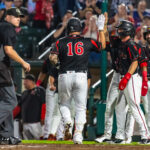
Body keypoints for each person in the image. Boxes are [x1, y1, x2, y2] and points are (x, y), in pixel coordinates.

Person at [49, 16, 106, 144]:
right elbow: (102, 46)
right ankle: (78, 136)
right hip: (81, 76)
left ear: (68, 28)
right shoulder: (87, 41)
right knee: (81, 108)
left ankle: (68, 120)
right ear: (80, 29)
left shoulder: (59, 42)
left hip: (64, 75)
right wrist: (101, 28)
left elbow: (52, 58)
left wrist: (58, 65)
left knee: (64, 105)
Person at [99, 20, 149, 144]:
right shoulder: (120, 43)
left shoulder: (131, 44)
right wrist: (103, 27)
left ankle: (146, 135)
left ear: (127, 31)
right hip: (123, 76)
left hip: (131, 78)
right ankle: (120, 136)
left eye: (121, 29)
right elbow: (105, 41)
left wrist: (127, 77)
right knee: (119, 107)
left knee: (135, 107)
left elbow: (135, 61)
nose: (119, 31)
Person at [0, 7, 30, 145]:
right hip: (1, 67)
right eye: (15, 16)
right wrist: (23, 62)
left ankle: (6, 135)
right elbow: (8, 50)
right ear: (7, 16)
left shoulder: (2, 27)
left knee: (5, 101)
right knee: (11, 101)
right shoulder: (7, 27)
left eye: (20, 16)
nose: (18, 18)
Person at [13, 74, 46, 140]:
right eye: (24, 81)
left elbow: (44, 105)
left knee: (39, 143)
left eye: (26, 81)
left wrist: (43, 117)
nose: (24, 83)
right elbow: (18, 108)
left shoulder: (40, 90)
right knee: (27, 144)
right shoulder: (24, 93)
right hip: (25, 123)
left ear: (32, 82)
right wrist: (11, 116)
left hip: (36, 123)